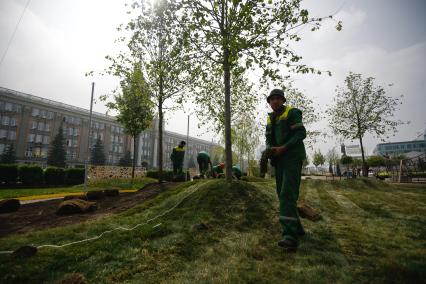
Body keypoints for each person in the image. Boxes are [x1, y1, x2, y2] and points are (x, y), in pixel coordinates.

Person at [265, 88, 307, 250]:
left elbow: (301, 133)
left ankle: (289, 236)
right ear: (269, 102)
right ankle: (297, 228)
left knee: (287, 194)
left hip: (292, 157)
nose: (274, 101)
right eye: (272, 99)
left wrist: (284, 147)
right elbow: (268, 138)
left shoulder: (292, 112)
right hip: (279, 160)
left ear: (283, 100)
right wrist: (270, 150)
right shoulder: (270, 119)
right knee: (281, 194)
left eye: (278, 98)